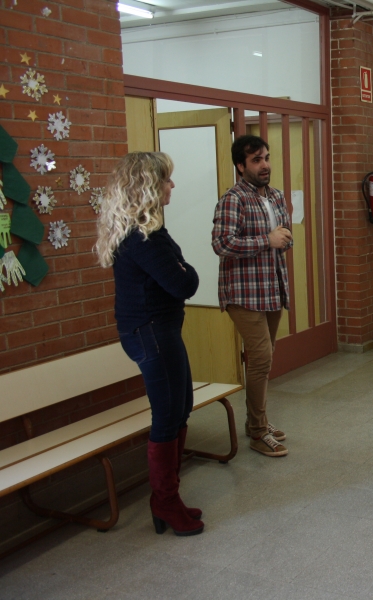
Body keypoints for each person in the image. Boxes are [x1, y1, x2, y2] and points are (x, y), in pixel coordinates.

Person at [96, 152, 203, 536]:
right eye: (166, 180)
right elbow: (185, 283)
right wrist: (184, 268)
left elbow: (181, 276)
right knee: (168, 414)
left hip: (158, 330)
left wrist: (182, 269)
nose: (172, 186)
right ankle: (164, 502)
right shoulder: (145, 238)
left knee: (182, 407)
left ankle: (169, 499)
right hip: (152, 332)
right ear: (147, 187)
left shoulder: (148, 231)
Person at [212, 135, 292, 457]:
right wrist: (266, 240)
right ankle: (259, 433)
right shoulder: (233, 199)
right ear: (241, 165)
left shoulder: (275, 196)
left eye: (267, 158)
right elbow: (222, 244)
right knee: (260, 358)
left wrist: (283, 240)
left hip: (271, 288)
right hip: (243, 294)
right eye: (257, 160)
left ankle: (255, 421)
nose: (265, 165)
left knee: (263, 358)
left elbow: (284, 237)